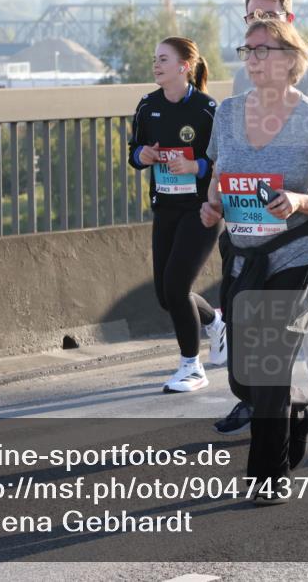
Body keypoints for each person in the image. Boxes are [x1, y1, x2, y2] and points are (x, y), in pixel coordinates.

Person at [201, 18, 308, 504]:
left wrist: (298, 200)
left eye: (262, 50)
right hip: (244, 253)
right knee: (245, 376)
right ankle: (300, 411)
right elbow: (219, 177)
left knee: (268, 364)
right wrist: (212, 206)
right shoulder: (226, 114)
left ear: (290, 58)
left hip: (297, 256)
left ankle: (270, 475)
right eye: (248, 51)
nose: (253, 59)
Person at [127, 37, 227, 392]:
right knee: (165, 296)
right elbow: (134, 152)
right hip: (165, 207)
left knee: (177, 285)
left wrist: (194, 165)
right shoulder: (147, 105)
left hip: (201, 209)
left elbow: (222, 160)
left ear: (184, 66)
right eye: (155, 59)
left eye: (164, 59)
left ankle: (192, 367)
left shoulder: (206, 109)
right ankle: (215, 322)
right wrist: (146, 156)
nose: (156, 65)